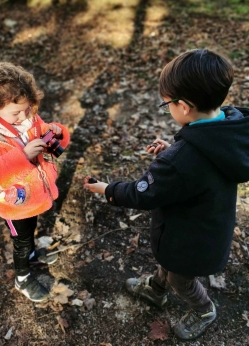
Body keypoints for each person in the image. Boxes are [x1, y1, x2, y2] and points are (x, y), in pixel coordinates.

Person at [84, 49, 249, 341]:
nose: (166, 107)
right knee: (171, 265)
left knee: (181, 279)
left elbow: (142, 194)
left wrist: (106, 189)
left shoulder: (182, 160)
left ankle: (204, 309)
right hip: (209, 226)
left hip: (190, 239)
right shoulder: (229, 128)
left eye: (166, 104)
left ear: (183, 106)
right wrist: (172, 152)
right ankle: (155, 289)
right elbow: (197, 168)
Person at [0, 62, 70, 303]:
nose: (25, 116)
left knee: (30, 230)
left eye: (28, 109)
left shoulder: (26, 116)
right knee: (20, 239)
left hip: (35, 195)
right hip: (14, 204)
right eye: (17, 113)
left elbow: (47, 138)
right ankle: (22, 277)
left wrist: (56, 133)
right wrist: (23, 156)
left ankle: (31, 254)